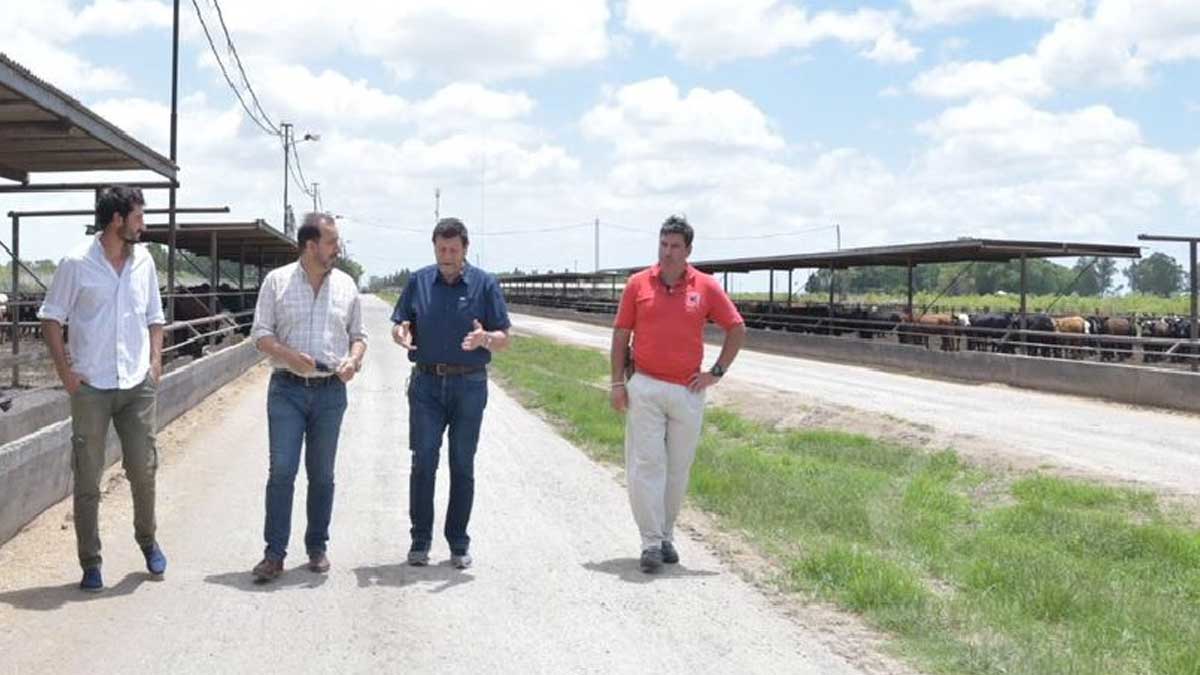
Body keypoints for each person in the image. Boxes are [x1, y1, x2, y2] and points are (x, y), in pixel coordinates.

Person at [38, 186, 167, 592]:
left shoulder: (143, 261)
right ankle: (90, 562)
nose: (143, 225)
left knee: (143, 469)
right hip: (92, 386)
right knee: (88, 478)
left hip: (135, 384)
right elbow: (51, 320)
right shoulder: (77, 263)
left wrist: (155, 362)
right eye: (138, 217)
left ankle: (147, 541)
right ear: (117, 221)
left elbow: (155, 317)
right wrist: (66, 374)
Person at [610, 215, 746, 573]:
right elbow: (621, 334)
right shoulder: (638, 284)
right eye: (663, 244)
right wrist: (617, 383)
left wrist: (715, 373)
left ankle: (667, 534)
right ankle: (650, 542)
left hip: (687, 390)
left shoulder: (706, 286)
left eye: (675, 247)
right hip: (647, 386)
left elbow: (736, 328)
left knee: (677, 469)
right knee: (647, 465)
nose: (668, 253)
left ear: (688, 250)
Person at [249, 212, 366, 582]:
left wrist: (354, 361)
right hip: (287, 389)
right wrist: (288, 356)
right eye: (331, 242)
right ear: (311, 245)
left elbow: (359, 336)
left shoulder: (347, 286)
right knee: (282, 471)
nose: (337, 248)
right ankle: (274, 554)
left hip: (331, 391)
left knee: (323, 474)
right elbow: (260, 335)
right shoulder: (277, 282)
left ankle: (317, 547)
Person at [391, 217, 510, 570]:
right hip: (426, 384)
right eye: (441, 249)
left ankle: (458, 542)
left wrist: (485, 338)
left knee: (462, 463)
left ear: (465, 249)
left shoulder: (485, 285)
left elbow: (505, 338)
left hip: (469, 385)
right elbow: (401, 322)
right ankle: (420, 540)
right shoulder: (418, 281)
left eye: (453, 250)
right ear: (434, 247)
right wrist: (400, 333)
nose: (447, 256)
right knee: (423, 461)